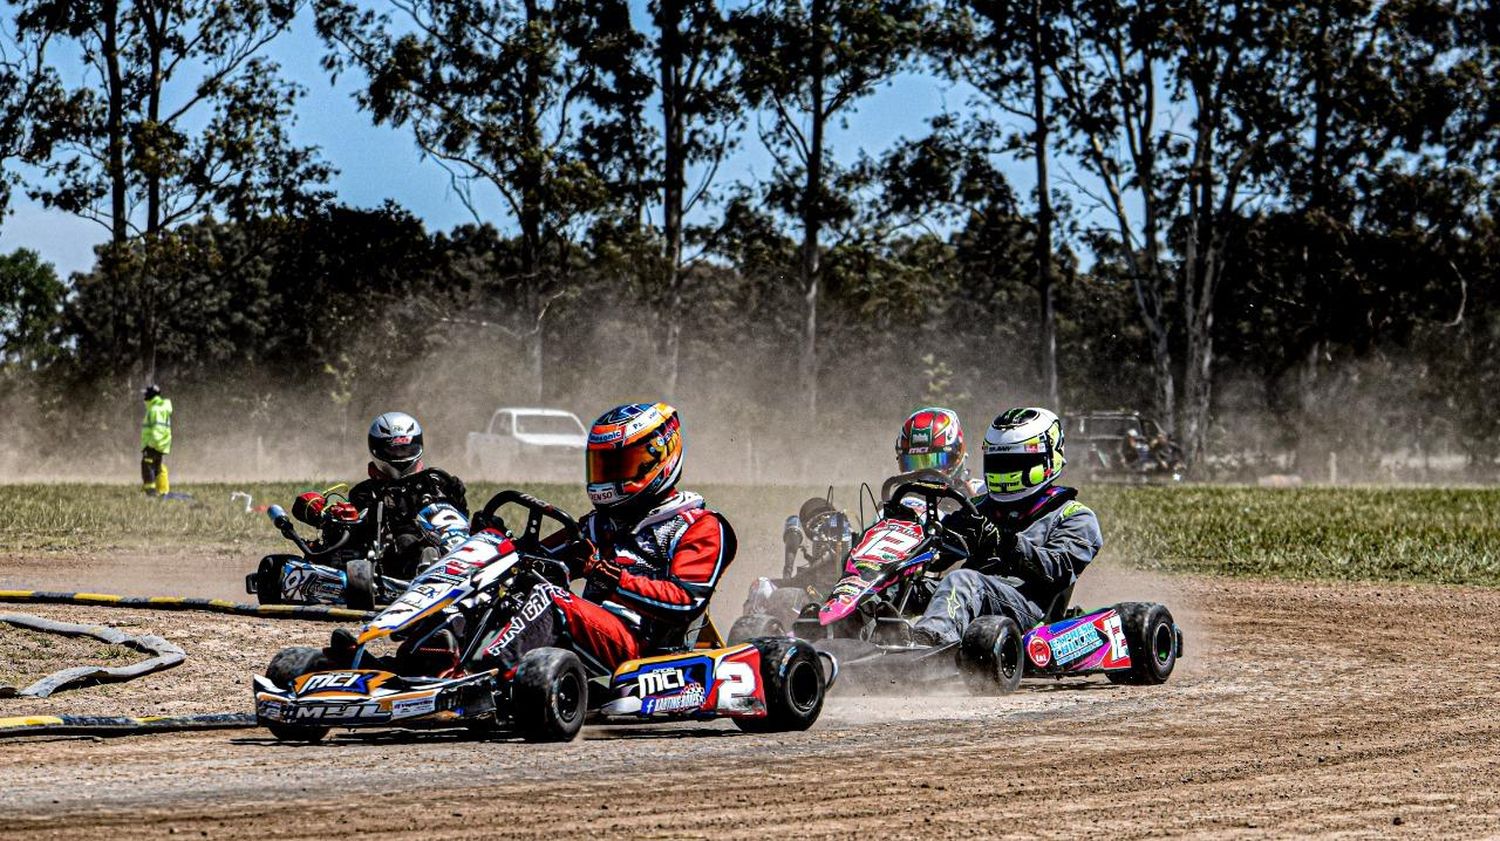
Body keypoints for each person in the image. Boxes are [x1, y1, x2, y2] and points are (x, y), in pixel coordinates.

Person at [475, 402, 736, 673]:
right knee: (499, 591)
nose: (608, 476)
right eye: (602, 465)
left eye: (620, 465)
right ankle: (440, 660)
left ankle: (485, 674)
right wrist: (494, 543)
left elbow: (685, 601)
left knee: (550, 598)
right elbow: (540, 559)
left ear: (659, 459)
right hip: (595, 632)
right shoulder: (600, 523)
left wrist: (610, 577)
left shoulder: (698, 526)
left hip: (641, 647)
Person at [911, 407, 1103, 645]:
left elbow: (1057, 570)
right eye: (998, 462)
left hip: (1028, 607)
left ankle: (927, 646)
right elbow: (938, 557)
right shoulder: (981, 507)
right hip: (974, 594)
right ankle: (855, 634)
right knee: (907, 586)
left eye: (1013, 461)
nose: (1004, 470)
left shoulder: (1074, 516)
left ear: (1046, 458)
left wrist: (1007, 544)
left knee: (962, 581)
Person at [293, 411, 468, 578]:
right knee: (407, 541)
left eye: (407, 449)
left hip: (451, 542)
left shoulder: (439, 481)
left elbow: (462, 516)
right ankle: (425, 567)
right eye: (395, 451)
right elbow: (360, 530)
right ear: (377, 450)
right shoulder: (366, 492)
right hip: (395, 555)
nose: (401, 456)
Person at [894, 406, 985, 497]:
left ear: (958, 455)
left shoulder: (980, 492)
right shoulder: (898, 499)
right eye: (914, 463)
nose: (925, 476)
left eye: (935, 461)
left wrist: (976, 503)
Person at [140, 384, 172, 496]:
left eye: (146, 394)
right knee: (158, 467)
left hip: (154, 444)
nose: (144, 396)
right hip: (160, 444)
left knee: (147, 465)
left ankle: (151, 492)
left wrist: (151, 445)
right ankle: (163, 491)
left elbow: (157, 429)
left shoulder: (155, 409)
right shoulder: (161, 408)